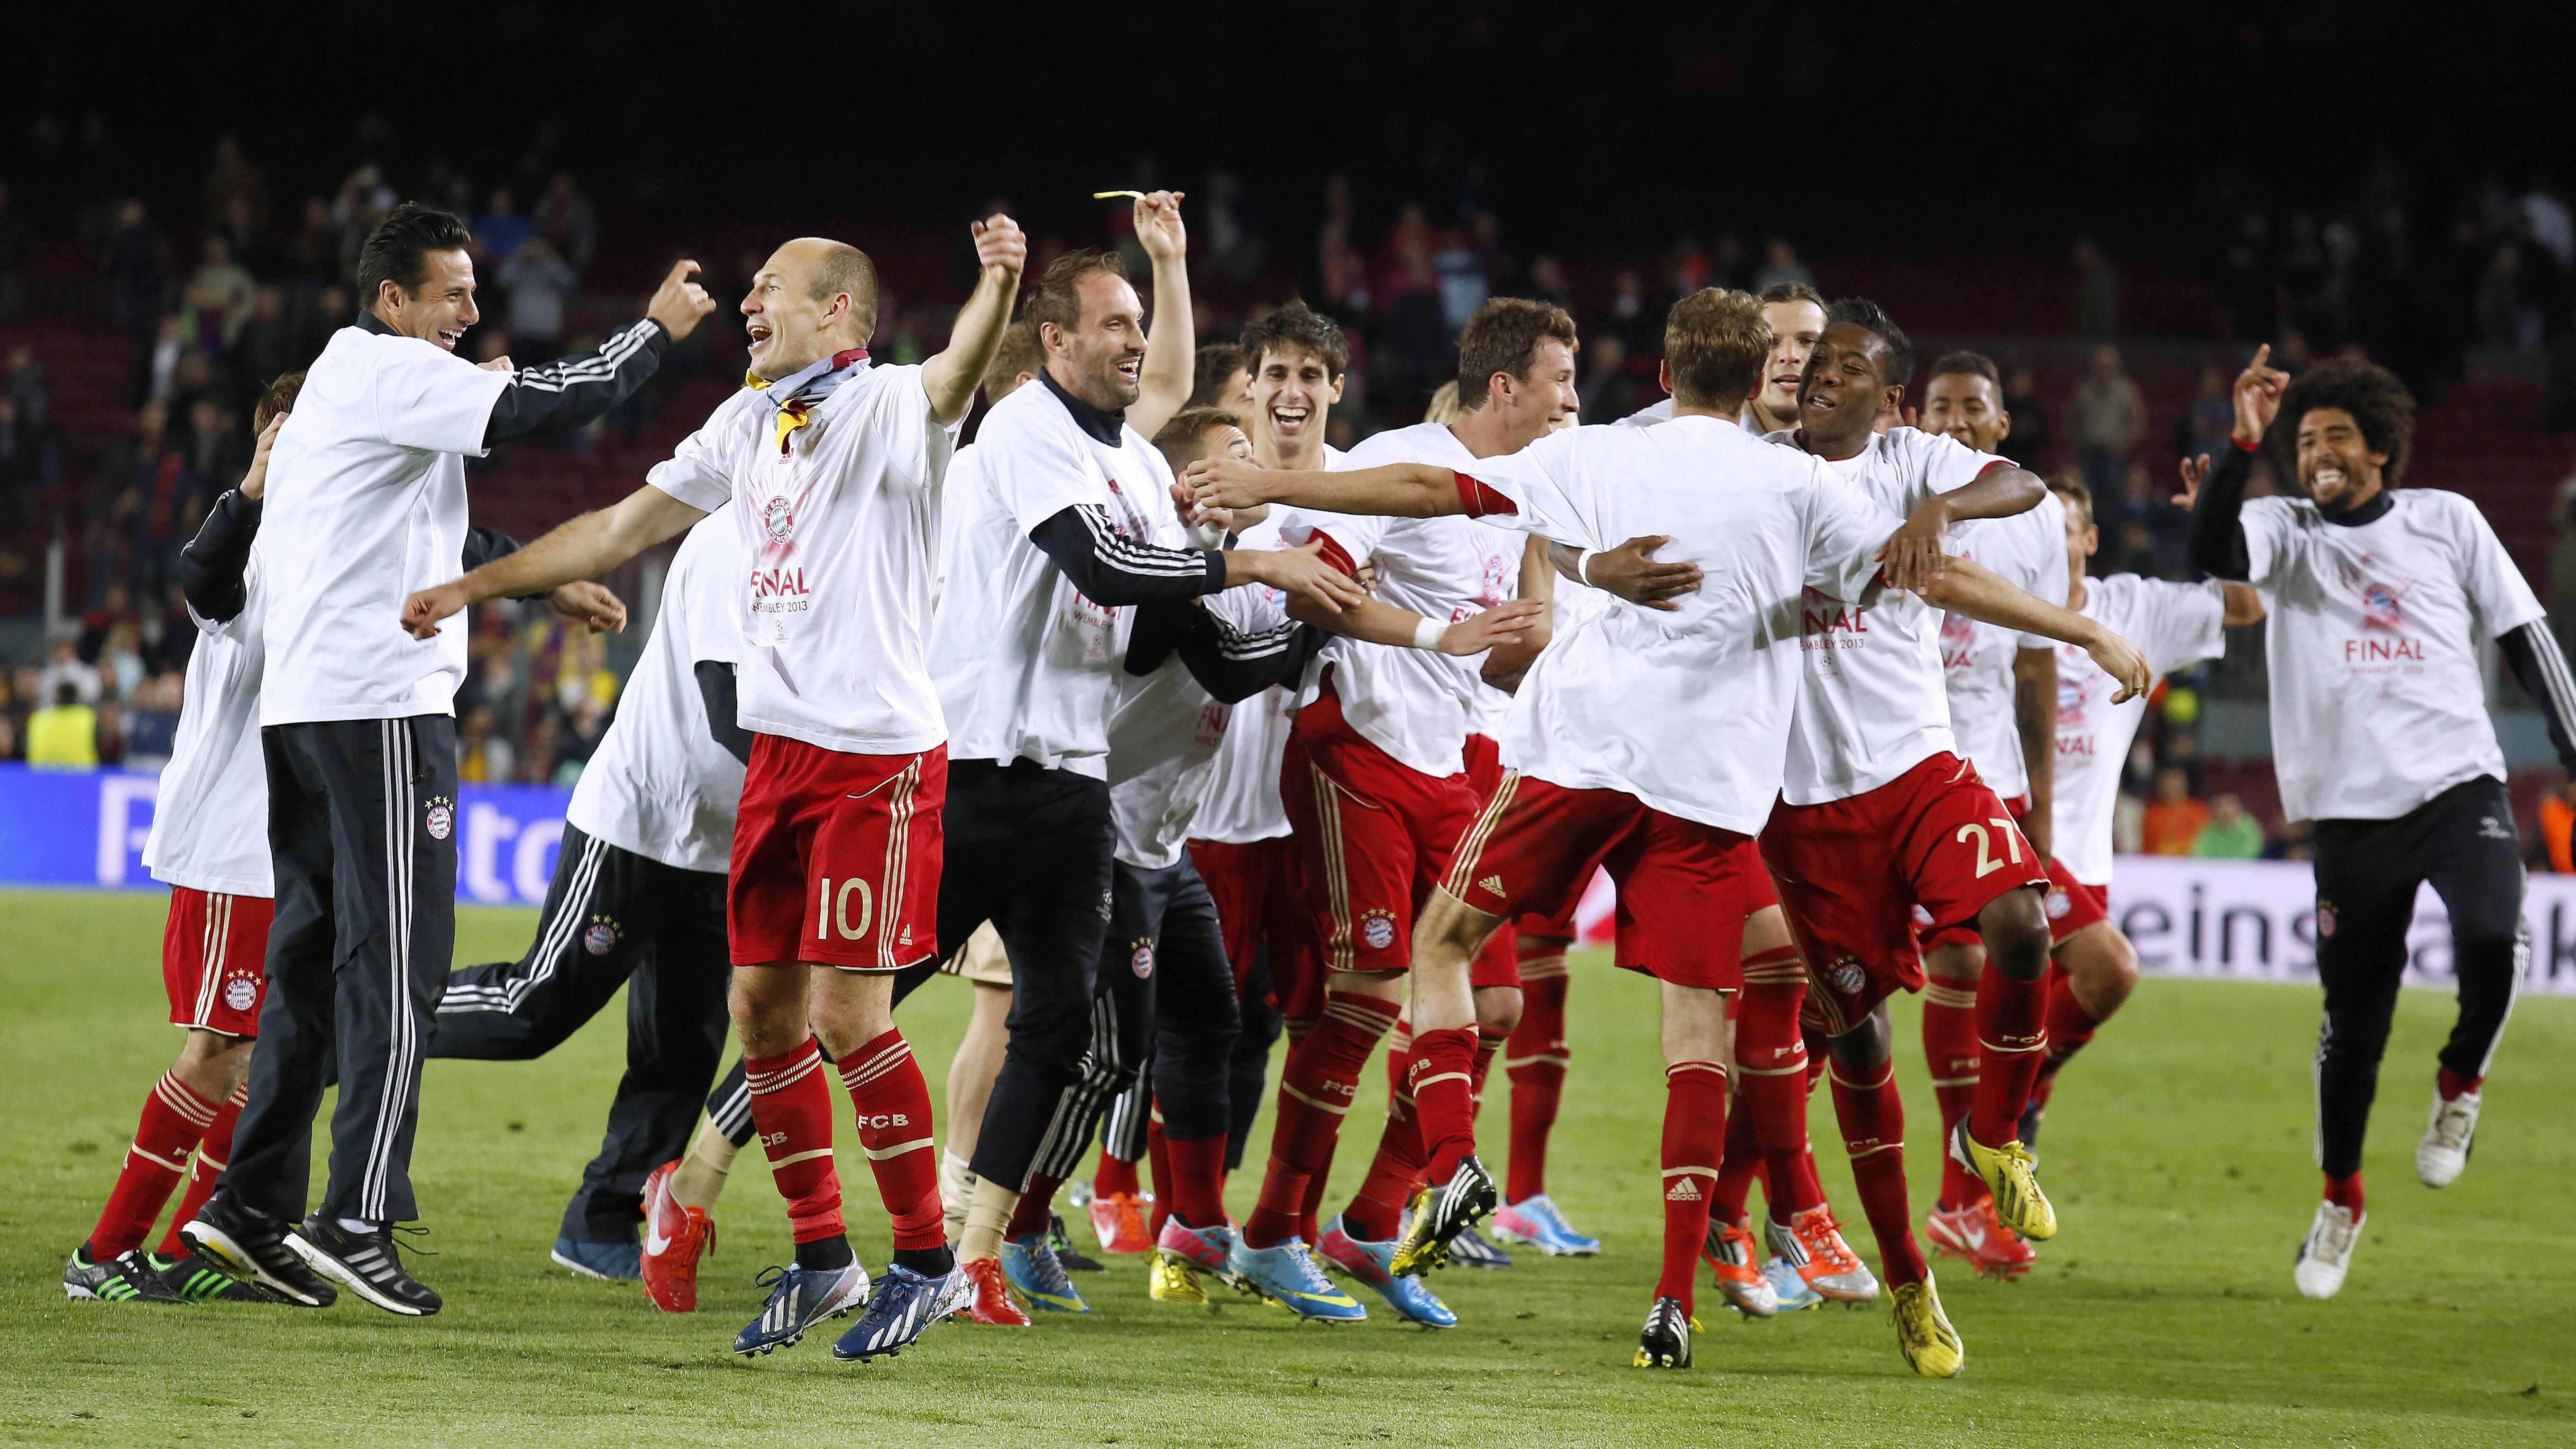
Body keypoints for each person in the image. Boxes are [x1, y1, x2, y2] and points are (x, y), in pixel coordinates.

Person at [1183, 284, 2150, 1376]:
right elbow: (1939, 572)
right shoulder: (1797, 482)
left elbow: (1425, 486)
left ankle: (1452, 1155)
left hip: (1580, 752)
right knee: (1703, 1028)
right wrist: (2080, 625)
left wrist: (1269, 478)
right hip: (1707, 784)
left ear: (1659, 375)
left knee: (1449, 947)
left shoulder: (1595, 451)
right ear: (1756, 386)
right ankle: (1680, 1287)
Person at [401, 214, 1030, 1361]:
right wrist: (477, 583)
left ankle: (927, 1264)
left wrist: (998, 284)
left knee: (849, 1016)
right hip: (781, 759)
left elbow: (958, 371)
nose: (750, 301)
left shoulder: (892, 406)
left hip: (875, 763)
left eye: (773, 288)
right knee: (758, 1010)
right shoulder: (749, 421)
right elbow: (620, 524)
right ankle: (822, 1255)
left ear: (839, 310)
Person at [181, 203, 701, 1319]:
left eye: (473, 293)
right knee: (401, 964)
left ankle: (249, 1204)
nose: (471, 313)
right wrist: (652, 331)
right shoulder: (387, 370)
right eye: (453, 293)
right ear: (392, 300)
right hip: (379, 708)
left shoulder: (346, 384)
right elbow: (548, 402)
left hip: (313, 711)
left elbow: (422, 528)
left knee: (314, 968)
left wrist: (535, 576)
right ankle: (356, 1215)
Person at [921, 207, 1366, 1330]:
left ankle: (981, 1251)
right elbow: (1104, 567)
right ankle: (716, 1176)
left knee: (1065, 1030)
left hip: (1076, 788)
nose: (1135, 342)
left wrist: (1304, 617)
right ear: (1054, 343)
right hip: (974, 766)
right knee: (855, 994)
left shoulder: (1125, 461)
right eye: (1111, 323)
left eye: (1140, 326)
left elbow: (1207, 646)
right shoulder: (1025, 428)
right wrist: (1254, 557)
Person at [1751, 299, 2148, 1373]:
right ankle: (1911, 1285)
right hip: (1803, 805)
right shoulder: (1759, 469)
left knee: (2019, 922)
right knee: (1858, 1040)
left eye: (1844, 366)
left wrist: (1941, 504)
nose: (1817, 376)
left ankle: (1995, 1132)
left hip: (1920, 767)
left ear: (1888, 398)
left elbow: (2015, 479)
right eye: (1810, 362)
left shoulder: (1906, 458)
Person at [2184, 348, 2576, 1299]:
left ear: (2379, 450)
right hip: (2348, 809)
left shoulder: (2448, 521)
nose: (2317, 451)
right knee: (2353, 1025)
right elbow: (2213, 553)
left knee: (2493, 937)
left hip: (2455, 784)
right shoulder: (2280, 527)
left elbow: (2525, 635)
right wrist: (2242, 440)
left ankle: (2458, 1087)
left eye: (2336, 437)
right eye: (2305, 438)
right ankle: (2339, 1197)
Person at [1224, 297, 1573, 1327]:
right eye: (1559, 380)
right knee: (1370, 992)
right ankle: (1270, 1236)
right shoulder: (1398, 458)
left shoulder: (1524, 488)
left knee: (1496, 1006)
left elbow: (1517, 646)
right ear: (1506, 387)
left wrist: (1540, 573)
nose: (1570, 399)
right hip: (1358, 749)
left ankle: (1371, 1224)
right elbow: (1309, 591)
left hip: (1451, 764)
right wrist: (1432, 634)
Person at [427, 516, 745, 1293]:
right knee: (535, 1006)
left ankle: (600, 1218)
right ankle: (359, 1016)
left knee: (683, 1047)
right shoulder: (736, 542)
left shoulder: (849, 548)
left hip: (724, 838)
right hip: (642, 818)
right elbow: (729, 706)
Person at [63, 388, 293, 1306]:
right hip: (236, 846)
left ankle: (199, 1246)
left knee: (270, 1055)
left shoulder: (329, 547)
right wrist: (255, 487)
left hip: (287, 851)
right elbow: (204, 581)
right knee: (219, 1047)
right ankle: (107, 1252)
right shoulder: (254, 547)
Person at [2025, 472, 2260, 1174]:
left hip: (2086, 861)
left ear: (2090, 540)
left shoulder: (2134, 607)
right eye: (2031, 529)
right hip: (2003, 844)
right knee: (2102, 977)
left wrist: (2222, 533)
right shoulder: (1986, 607)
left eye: (2062, 529)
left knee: (2047, 1024)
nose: (2046, 544)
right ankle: (1994, 1143)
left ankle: (2015, 1117)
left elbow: (2249, 604)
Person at [1909, 349, 2071, 1279]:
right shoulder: (1884, 488)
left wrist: (2039, 796)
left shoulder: (2035, 514)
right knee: (1816, 997)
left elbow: (2032, 659)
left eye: (1974, 406)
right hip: (1882, 767)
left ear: (2000, 425)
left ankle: (1959, 1197)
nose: (1958, 419)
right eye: (1942, 406)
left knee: (1972, 956)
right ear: (1916, 419)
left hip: (1984, 777)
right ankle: (1765, 1210)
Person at [2139, 767, 2209, 854]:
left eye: (2176, 779)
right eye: (2167, 779)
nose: (2171, 784)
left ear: (2186, 783)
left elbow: (2205, 846)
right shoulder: (2151, 815)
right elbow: (2146, 850)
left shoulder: (2199, 811)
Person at [2191, 793, 2265, 857]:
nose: (2224, 809)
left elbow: (2251, 855)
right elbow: (2201, 856)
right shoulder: (2207, 831)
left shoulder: (2251, 829)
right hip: (2213, 871)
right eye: (2220, 805)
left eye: (2229, 804)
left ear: (2239, 806)